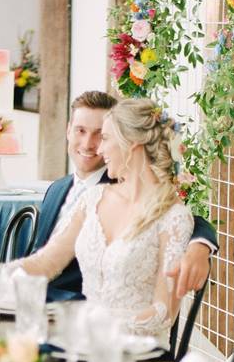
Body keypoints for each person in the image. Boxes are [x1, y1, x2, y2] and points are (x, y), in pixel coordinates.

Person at [13, 97, 198, 339]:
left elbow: (164, 315)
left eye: (106, 138)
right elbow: (46, 261)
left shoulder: (173, 217)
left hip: (135, 353)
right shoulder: (94, 198)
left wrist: (91, 324)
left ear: (131, 144)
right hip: (81, 341)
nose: (99, 149)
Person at [31, 91, 216, 300]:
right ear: (68, 131)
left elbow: (182, 218)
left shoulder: (124, 186)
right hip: (35, 300)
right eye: (80, 130)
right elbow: (42, 258)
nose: (89, 144)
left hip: (79, 308)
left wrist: (200, 246)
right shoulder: (57, 189)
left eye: (101, 135)